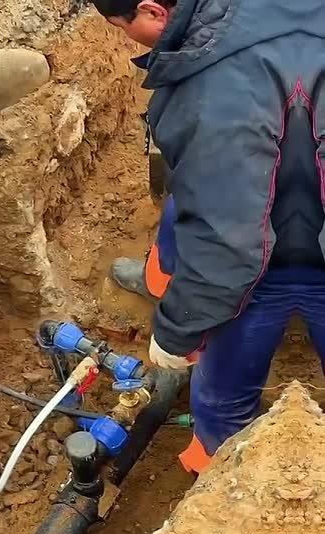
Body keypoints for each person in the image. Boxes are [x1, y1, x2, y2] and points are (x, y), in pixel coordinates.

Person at [92, 0, 325, 473]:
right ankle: (163, 282)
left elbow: (232, 242)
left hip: (287, 252)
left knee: (222, 393)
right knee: (192, 194)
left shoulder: (217, 91)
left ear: (152, 12)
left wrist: (177, 333)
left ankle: (222, 478)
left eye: (122, 27)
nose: (124, 40)